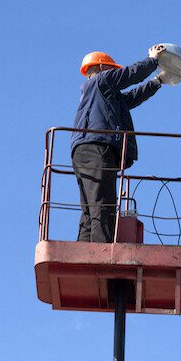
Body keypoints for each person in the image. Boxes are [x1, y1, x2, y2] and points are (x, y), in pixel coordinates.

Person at [71, 45, 166, 243]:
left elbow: (131, 98)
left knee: (90, 209)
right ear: (101, 67)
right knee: (103, 206)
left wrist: (158, 81)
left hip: (85, 149)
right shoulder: (101, 81)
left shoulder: (102, 94)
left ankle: (84, 250)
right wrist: (153, 60)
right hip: (97, 147)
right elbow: (131, 75)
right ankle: (102, 253)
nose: (115, 73)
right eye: (112, 70)